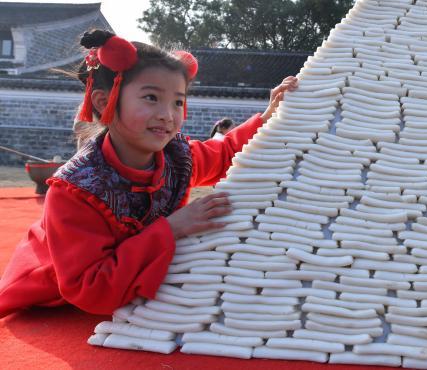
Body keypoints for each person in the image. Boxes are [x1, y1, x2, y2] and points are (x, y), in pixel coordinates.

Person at [0, 30, 298, 317]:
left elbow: (225, 156)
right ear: (105, 101)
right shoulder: (74, 190)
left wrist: (267, 117)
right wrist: (172, 228)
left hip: (126, 280)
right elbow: (90, 289)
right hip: (53, 291)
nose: (168, 115)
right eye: (152, 98)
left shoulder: (178, 158)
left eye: (177, 102)